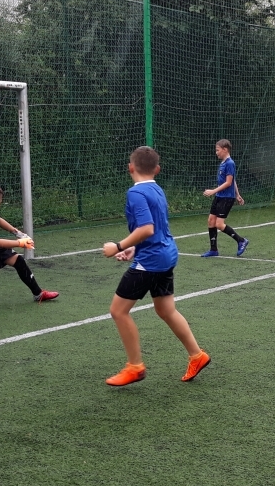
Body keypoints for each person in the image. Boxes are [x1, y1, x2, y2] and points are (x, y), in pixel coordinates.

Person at [102, 146, 211, 386]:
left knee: (118, 311)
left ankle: (135, 367)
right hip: (166, 254)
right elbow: (156, 229)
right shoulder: (157, 189)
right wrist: (134, 248)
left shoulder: (135, 193)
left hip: (151, 260)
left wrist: (118, 246)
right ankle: (197, 355)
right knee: (165, 310)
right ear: (157, 170)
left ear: (130, 168)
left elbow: (147, 228)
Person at [201, 138, 248, 257]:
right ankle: (213, 250)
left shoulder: (230, 163)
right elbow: (233, 181)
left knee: (219, 224)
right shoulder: (223, 163)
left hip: (226, 198)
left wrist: (213, 191)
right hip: (219, 196)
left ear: (225, 149)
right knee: (211, 221)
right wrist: (238, 194)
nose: (216, 152)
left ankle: (241, 241)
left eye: (218, 150)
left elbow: (228, 182)